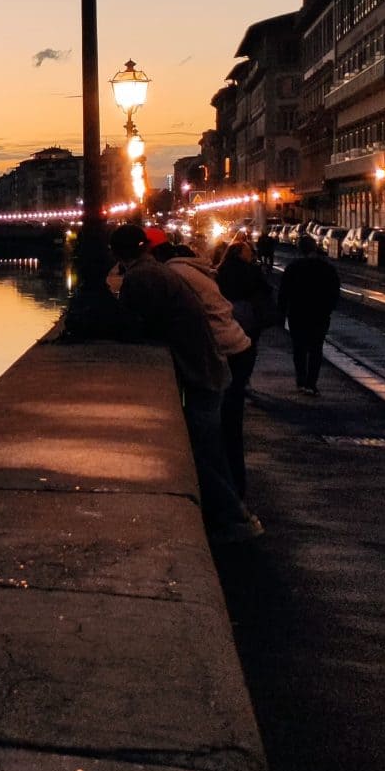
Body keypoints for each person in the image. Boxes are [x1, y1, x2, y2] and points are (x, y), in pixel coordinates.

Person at [109, 224, 263, 544]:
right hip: (211, 366)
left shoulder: (142, 277)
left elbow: (133, 325)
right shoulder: (157, 272)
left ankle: (237, 520)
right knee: (213, 448)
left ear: (116, 253)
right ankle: (233, 515)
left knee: (204, 453)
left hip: (202, 373)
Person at [214, 240, 274, 490]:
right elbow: (265, 291)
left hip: (229, 325)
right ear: (243, 253)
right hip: (248, 323)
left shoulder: (221, 271)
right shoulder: (252, 272)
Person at [279, 246, 342, 394]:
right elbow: (334, 292)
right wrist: (328, 308)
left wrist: (282, 311)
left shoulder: (293, 267)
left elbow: (284, 291)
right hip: (319, 314)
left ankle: (301, 380)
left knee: (299, 348)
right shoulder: (327, 269)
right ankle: (311, 383)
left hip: (297, 312)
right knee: (316, 348)